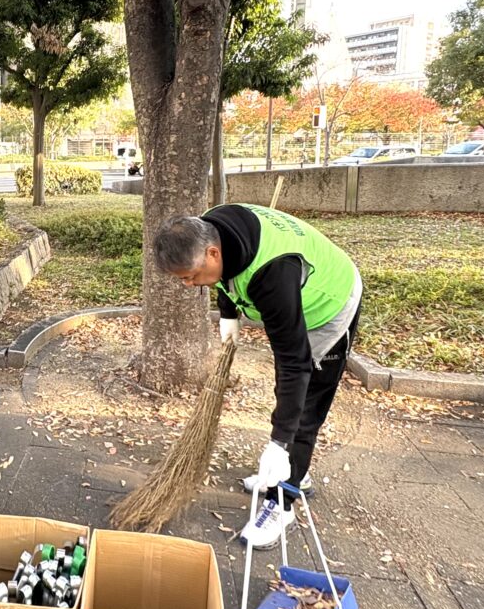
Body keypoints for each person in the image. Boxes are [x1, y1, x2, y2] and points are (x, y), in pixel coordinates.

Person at [153, 203, 363, 549]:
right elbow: (227, 275)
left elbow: (293, 363)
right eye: (182, 279)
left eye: (190, 275)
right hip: (292, 296)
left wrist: (279, 444)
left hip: (329, 305)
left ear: (212, 251)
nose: (189, 285)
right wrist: (228, 312)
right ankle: (296, 469)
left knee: (307, 407)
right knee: (293, 411)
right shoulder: (213, 226)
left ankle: (282, 503)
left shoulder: (272, 276)